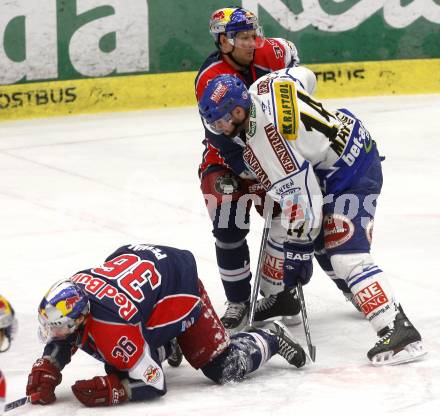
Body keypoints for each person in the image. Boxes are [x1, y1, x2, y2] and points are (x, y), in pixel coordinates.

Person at [198, 67, 427, 365]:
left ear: (239, 111)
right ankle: (298, 296)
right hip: (346, 140)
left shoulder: (265, 143)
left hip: (352, 172)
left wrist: (296, 255)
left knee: (345, 253)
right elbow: (306, 77)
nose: (218, 127)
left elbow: (305, 203)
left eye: (222, 120)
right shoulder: (266, 84)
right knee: (302, 234)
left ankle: (400, 331)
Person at [26, 243, 307, 407]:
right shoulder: (76, 286)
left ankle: (268, 336)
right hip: (147, 276)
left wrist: (117, 391)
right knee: (118, 359)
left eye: (57, 329)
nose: (54, 335)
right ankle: (165, 341)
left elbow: (155, 383)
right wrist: (49, 364)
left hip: (179, 287)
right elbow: (68, 332)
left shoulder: (114, 330)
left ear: (80, 318)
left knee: (223, 367)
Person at [195, 6, 303, 333]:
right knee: (228, 225)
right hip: (228, 158)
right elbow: (226, 142)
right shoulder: (209, 81)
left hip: (273, 152)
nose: (252, 42)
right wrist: (262, 175)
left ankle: (345, 281)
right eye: (242, 37)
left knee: (304, 218)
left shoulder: (273, 52)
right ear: (223, 42)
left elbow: (295, 65)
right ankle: (239, 302)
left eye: (253, 34)